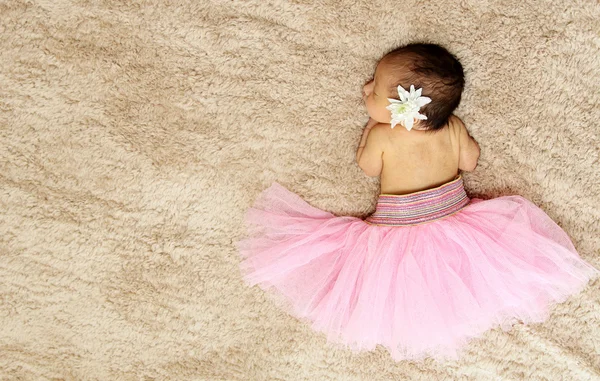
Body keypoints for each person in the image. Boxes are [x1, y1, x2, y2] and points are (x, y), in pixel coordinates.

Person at [236, 43, 600, 362]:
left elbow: (367, 168)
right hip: (457, 222)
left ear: (401, 109)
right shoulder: (452, 126)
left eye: (374, 90)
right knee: (456, 277)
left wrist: (367, 136)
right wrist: (459, 141)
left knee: (400, 287)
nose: (365, 89)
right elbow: (470, 161)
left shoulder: (383, 133)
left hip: (397, 229)